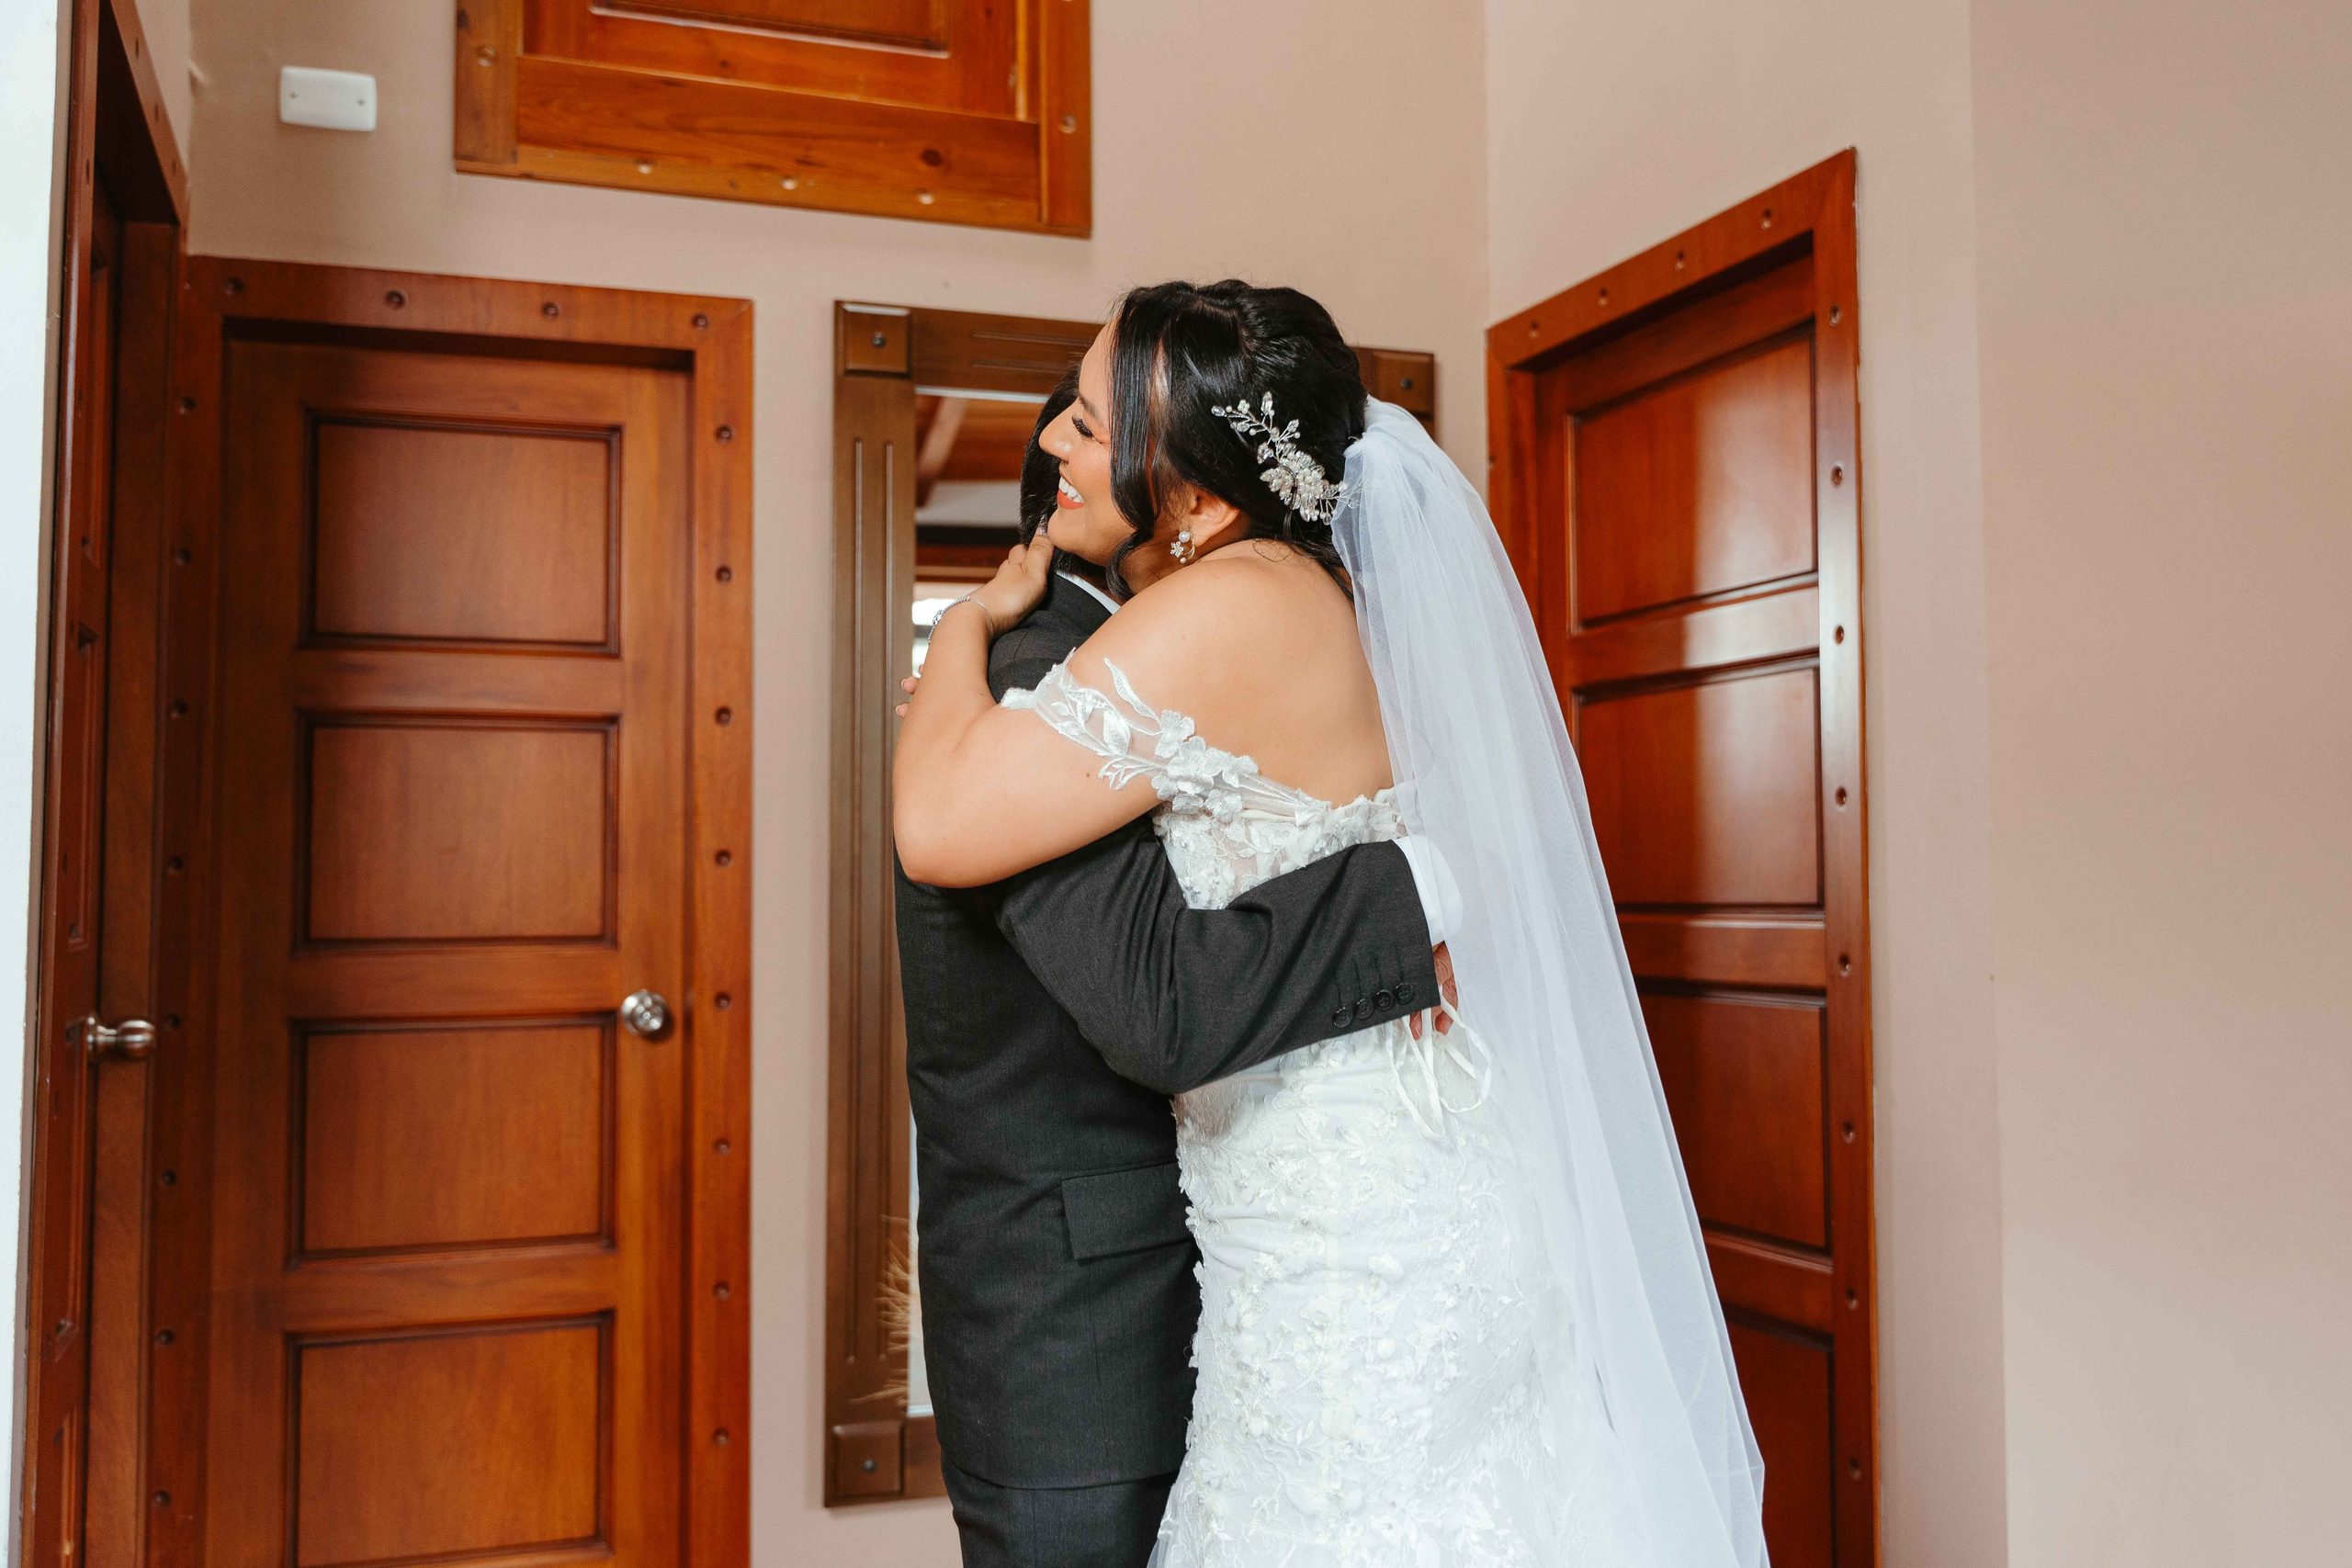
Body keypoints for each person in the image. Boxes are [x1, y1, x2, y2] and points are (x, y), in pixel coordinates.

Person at [897, 281, 1770, 1567]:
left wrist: (963, 629)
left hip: (1349, 1218)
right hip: (1369, 1167)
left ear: (1194, 498)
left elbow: (939, 826)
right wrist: (1412, 892)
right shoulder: (1307, 594)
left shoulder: (1225, 608)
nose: (1050, 448)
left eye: (1088, 428)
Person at [894, 371, 1468, 1568]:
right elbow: (1162, 1002)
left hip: (1200, 1282)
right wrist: (1411, 892)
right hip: (1075, 1334)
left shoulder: (1119, 664)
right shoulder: (1037, 678)